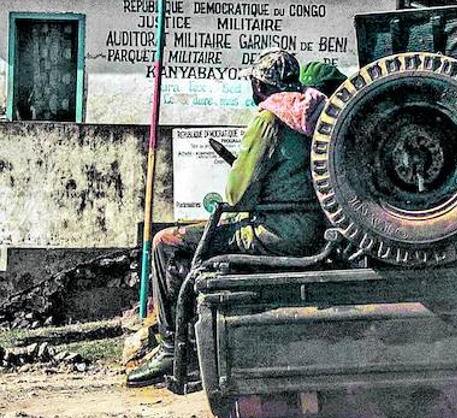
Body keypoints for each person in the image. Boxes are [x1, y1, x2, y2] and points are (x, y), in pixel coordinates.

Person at [127, 51, 327, 387]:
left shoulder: (269, 119)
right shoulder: (315, 113)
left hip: (272, 231)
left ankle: (171, 351)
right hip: (312, 229)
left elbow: (237, 195)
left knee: (166, 244)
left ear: (260, 86)